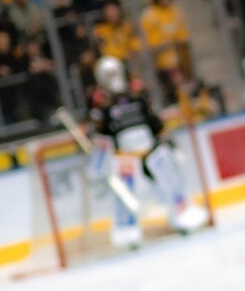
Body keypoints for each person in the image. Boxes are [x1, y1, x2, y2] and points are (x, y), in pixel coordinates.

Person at [86, 55, 210, 248]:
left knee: (171, 182)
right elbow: (100, 134)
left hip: (151, 149)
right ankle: (127, 230)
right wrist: (99, 159)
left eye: (114, 72)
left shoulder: (136, 93)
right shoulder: (100, 102)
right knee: (126, 194)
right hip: (125, 156)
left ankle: (181, 215)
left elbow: (153, 120)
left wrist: (171, 144)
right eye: (107, 74)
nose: (112, 77)